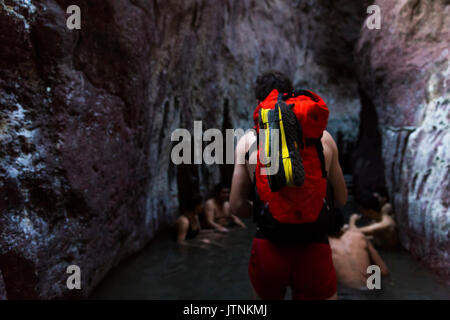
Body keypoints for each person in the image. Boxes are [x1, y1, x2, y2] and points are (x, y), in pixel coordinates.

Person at [230, 70, 348, 300]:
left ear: (259, 103)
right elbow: (341, 200)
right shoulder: (323, 138)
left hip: (269, 246)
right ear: (291, 97)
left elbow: (235, 205)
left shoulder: (247, 142)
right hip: (313, 247)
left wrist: (260, 211)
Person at [329, 215, 389, 289]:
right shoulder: (359, 236)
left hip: (347, 293)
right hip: (371, 290)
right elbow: (384, 271)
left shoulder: (323, 247)